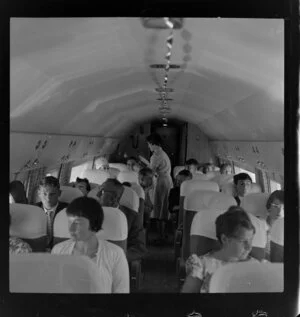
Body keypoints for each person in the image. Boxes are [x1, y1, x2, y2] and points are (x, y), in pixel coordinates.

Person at [51, 197, 129, 293]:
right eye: (70, 222)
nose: (71, 228)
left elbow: (122, 293)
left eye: (78, 223)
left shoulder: (116, 254)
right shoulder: (58, 250)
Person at [181, 206, 258, 293]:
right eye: (243, 241)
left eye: (251, 240)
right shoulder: (201, 265)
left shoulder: (256, 266)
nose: (249, 247)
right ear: (225, 239)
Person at [97, 178, 147, 263]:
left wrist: (118, 258)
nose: (97, 195)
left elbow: (139, 248)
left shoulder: (132, 217)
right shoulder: (88, 213)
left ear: (115, 199)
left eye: (102, 192)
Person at [142, 133, 173, 244]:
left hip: (161, 182)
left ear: (153, 144)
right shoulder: (162, 153)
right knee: (162, 207)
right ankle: (162, 234)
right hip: (166, 180)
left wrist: (143, 164)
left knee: (160, 208)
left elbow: (151, 171)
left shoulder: (156, 156)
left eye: (149, 144)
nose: (148, 147)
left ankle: (161, 236)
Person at [36, 176, 69, 249]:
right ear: (39, 193)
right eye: (44, 194)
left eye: (52, 194)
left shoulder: (69, 210)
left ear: (59, 193)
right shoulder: (33, 210)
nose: (48, 198)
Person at [264, 190, 284, 260]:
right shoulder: (259, 226)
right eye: (276, 206)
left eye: (284, 208)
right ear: (269, 206)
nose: (280, 211)